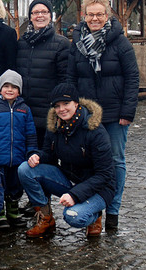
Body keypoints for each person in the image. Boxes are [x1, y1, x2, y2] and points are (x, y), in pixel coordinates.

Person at [67, 0, 139, 231]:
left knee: (116, 161)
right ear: (83, 16)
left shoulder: (120, 42)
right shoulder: (77, 43)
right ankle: (95, 210)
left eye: (99, 14)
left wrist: (128, 111)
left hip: (115, 113)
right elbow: (71, 78)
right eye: (91, 14)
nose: (95, 18)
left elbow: (132, 77)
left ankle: (114, 211)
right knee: (91, 163)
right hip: (88, 114)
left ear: (107, 15)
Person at [18, 83, 115, 237]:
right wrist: (37, 156)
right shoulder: (55, 126)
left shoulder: (95, 130)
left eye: (66, 103)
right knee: (25, 169)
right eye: (57, 106)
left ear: (76, 103)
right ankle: (46, 217)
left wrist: (75, 195)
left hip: (99, 188)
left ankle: (95, 215)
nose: (61, 109)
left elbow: (105, 174)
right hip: (70, 179)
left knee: (72, 216)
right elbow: (49, 155)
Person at [0, 70, 37, 228]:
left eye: (14, 87)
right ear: (0, 89)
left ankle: (13, 211)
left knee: (15, 186)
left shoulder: (25, 109)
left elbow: (30, 133)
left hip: (18, 157)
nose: (10, 90)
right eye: (6, 86)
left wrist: (31, 151)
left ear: (19, 90)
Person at [16, 0, 70, 149]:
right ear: (30, 17)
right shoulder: (22, 43)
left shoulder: (61, 43)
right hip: (24, 112)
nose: (40, 15)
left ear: (50, 15)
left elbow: (65, 80)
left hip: (48, 114)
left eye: (44, 12)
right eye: (35, 12)